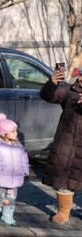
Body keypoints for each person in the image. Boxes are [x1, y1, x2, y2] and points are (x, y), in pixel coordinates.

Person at [40, 65, 81, 224]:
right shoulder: (70, 91)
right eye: (81, 75)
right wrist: (51, 83)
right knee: (64, 179)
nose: (81, 79)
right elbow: (48, 96)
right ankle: (63, 211)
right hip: (67, 142)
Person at [0, 115, 29, 225]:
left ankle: (7, 215)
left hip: (15, 178)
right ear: (3, 134)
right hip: (0, 178)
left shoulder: (18, 145)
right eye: (13, 131)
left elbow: (24, 158)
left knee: (11, 198)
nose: (16, 133)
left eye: (16, 131)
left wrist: (24, 170)